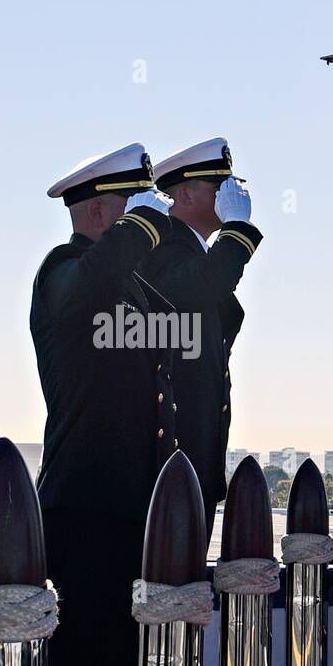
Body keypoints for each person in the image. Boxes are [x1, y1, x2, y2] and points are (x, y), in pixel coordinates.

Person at [32, 143, 178, 666]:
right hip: (83, 504)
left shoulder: (128, 288)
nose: (141, 223)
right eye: (130, 207)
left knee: (118, 658)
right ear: (98, 210)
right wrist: (143, 229)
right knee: (85, 661)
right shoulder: (64, 275)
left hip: (126, 505)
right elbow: (95, 277)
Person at [142, 138, 262, 544]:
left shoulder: (191, 252)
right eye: (219, 186)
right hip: (170, 462)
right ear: (185, 194)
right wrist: (238, 229)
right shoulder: (161, 248)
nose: (231, 196)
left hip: (193, 461)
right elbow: (205, 286)